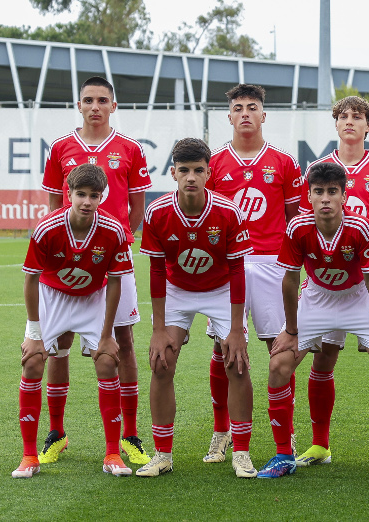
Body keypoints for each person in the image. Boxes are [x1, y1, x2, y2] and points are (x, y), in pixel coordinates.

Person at [257, 162, 369, 482]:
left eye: (332, 192)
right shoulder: (297, 227)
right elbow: (289, 280)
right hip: (318, 301)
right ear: (308, 196)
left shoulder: (360, 228)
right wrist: (292, 330)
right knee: (278, 364)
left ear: (343, 195)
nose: (325, 198)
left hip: (358, 301)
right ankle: (284, 455)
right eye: (319, 192)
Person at [293, 96, 369, 468]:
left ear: (368, 125)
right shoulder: (316, 168)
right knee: (323, 359)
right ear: (336, 124)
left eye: (357, 117)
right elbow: (303, 225)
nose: (349, 122)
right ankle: (319, 444)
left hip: (368, 280)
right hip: (324, 280)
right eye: (343, 117)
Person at [39, 76, 151, 465]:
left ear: (114, 106)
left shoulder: (130, 149)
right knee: (59, 345)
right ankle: (56, 432)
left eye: (103, 100)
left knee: (124, 342)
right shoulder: (60, 148)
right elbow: (55, 204)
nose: (95, 106)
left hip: (113, 261)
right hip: (71, 264)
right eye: (88, 100)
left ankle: (131, 435)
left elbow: (137, 208)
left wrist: (118, 242)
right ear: (79, 105)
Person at [136, 138, 256, 478]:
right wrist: (159, 330)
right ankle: (162, 455)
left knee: (237, 364)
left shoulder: (228, 211)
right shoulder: (158, 212)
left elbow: (237, 270)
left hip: (220, 290)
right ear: (173, 173)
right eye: (184, 170)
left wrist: (235, 329)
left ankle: (242, 453)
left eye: (198, 170)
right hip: (178, 290)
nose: (191, 177)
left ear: (209, 173)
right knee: (161, 364)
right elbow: (157, 270)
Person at [13, 164, 134, 478]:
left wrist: (107, 334)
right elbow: (31, 280)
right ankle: (29, 457)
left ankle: (111, 453)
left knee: (108, 361)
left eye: (94, 196)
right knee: (33, 362)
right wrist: (35, 333)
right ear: (69, 194)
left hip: (93, 296)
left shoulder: (113, 230)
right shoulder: (46, 228)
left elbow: (116, 282)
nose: (87, 202)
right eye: (81, 194)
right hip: (52, 296)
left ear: (101, 197)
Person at [204, 83, 302, 464]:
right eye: (238, 107)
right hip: (229, 264)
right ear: (229, 116)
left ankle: (286, 434)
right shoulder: (213, 163)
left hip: (272, 265)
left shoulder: (284, 162)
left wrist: (294, 268)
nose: (245, 113)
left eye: (253, 107)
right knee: (222, 347)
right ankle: (222, 430)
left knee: (279, 349)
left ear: (264, 115)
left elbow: (296, 220)